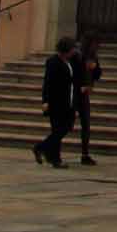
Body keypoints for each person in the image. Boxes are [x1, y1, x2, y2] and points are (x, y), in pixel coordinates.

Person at [34, 36, 76, 168]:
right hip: (56, 102)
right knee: (60, 129)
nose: (73, 52)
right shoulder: (53, 62)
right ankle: (44, 149)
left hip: (67, 101)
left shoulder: (68, 62)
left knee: (62, 128)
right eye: (72, 49)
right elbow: (48, 82)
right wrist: (45, 100)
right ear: (66, 49)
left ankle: (51, 155)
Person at [71, 35, 102, 166]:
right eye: (95, 44)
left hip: (85, 95)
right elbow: (70, 75)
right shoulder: (76, 56)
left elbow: (98, 74)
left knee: (86, 125)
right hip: (74, 94)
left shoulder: (93, 57)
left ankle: (85, 154)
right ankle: (50, 149)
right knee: (66, 125)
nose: (96, 47)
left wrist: (95, 68)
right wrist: (80, 87)